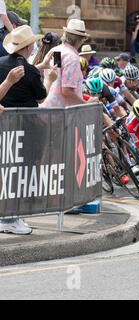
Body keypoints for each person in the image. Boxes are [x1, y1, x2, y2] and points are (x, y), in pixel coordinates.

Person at [0, 26, 55, 235]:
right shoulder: (29, 71)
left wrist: (40, 67)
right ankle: (10, 219)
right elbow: (41, 98)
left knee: (6, 170)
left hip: (3, 126)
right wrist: (49, 80)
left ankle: (9, 217)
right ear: (29, 46)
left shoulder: (2, 64)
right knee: (18, 171)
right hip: (25, 129)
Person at [41, 19, 94, 108]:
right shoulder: (72, 57)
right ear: (80, 40)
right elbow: (67, 90)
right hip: (62, 112)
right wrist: (86, 104)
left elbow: (57, 78)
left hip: (47, 106)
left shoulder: (57, 51)